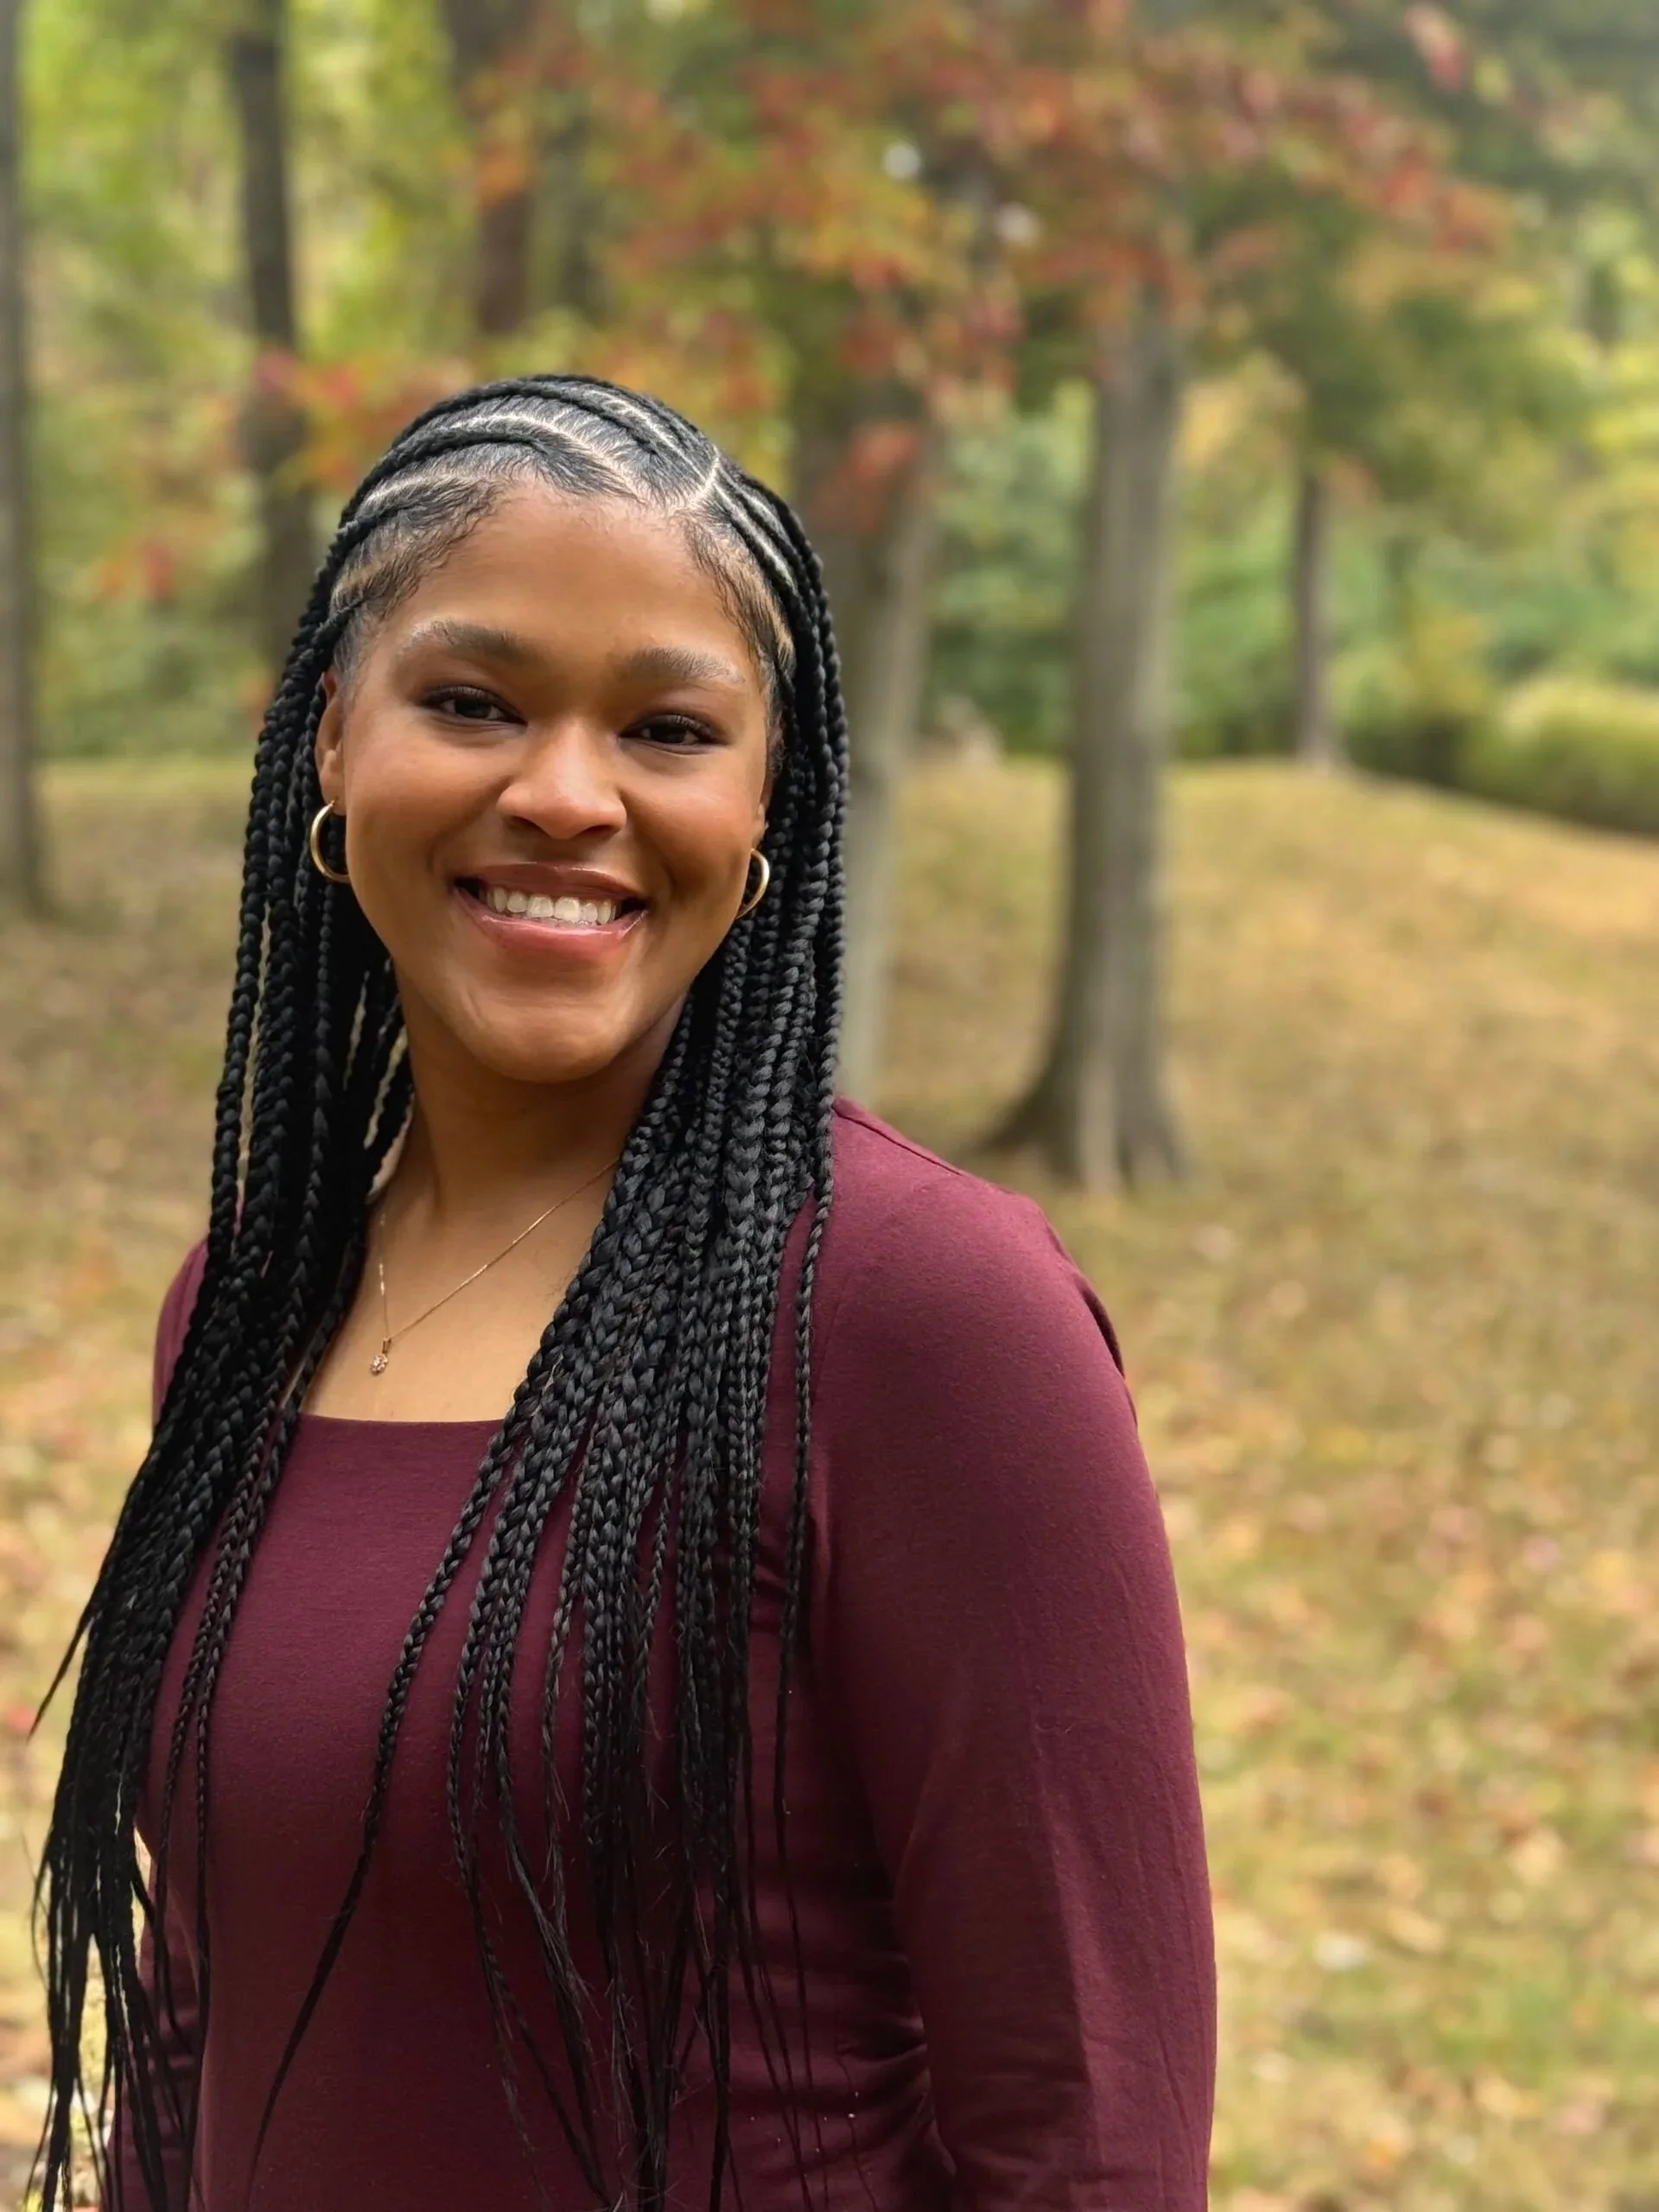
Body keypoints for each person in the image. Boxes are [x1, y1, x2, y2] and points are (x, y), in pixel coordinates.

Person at [35, 376, 1215, 2212]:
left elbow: (1092, 2133)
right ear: (329, 737)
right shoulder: (247, 1299)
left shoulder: (923, 1315)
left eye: (667, 726)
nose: (566, 792)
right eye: (473, 700)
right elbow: (202, 2013)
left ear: (764, 809)